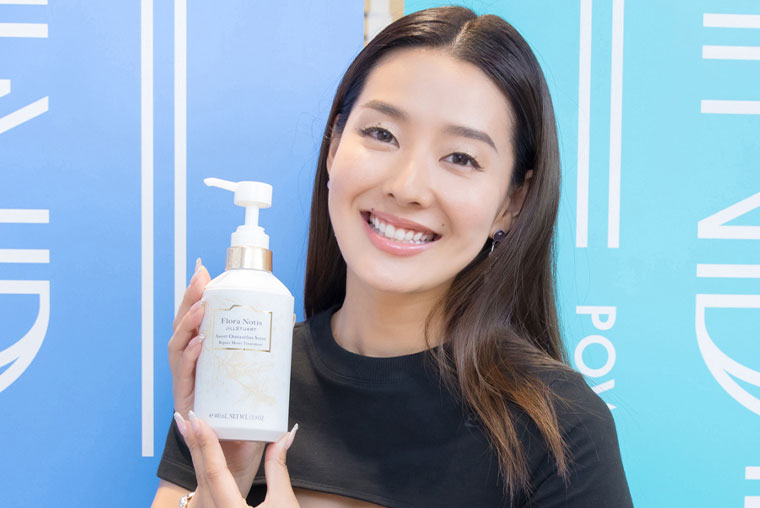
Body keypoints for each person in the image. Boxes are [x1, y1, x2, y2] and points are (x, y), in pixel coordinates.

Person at [151, 6, 634, 508]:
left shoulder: (562, 431)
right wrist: (220, 476)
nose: (407, 187)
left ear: (512, 202)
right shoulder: (244, 371)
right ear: (334, 146)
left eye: (461, 158)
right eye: (381, 134)